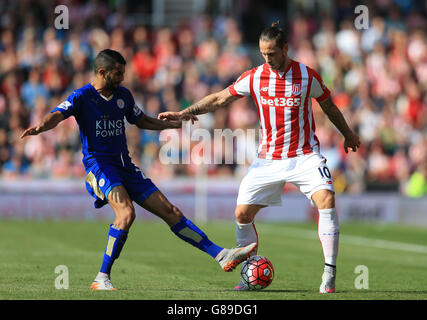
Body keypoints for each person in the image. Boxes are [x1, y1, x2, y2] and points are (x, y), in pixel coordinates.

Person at [21, 49, 257, 290]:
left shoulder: (123, 95)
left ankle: (221, 256)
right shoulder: (83, 96)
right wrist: (40, 127)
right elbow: (58, 114)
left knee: (171, 211)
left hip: (125, 166)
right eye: (118, 73)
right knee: (126, 213)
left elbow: (141, 120)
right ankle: (101, 277)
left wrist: (174, 123)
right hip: (100, 166)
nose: (122, 78)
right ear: (102, 72)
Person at [158, 22, 361, 293]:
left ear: (285, 48)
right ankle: (250, 274)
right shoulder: (254, 76)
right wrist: (186, 112)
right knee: (242, 213)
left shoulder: (306, 75)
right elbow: (220, 99)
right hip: (268, 159)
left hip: (304, 155)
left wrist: (348, 134)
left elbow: (329, 107)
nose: (268, 59)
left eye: (273, 53)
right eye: (263, 54)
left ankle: (329, 273)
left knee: (326, 199)